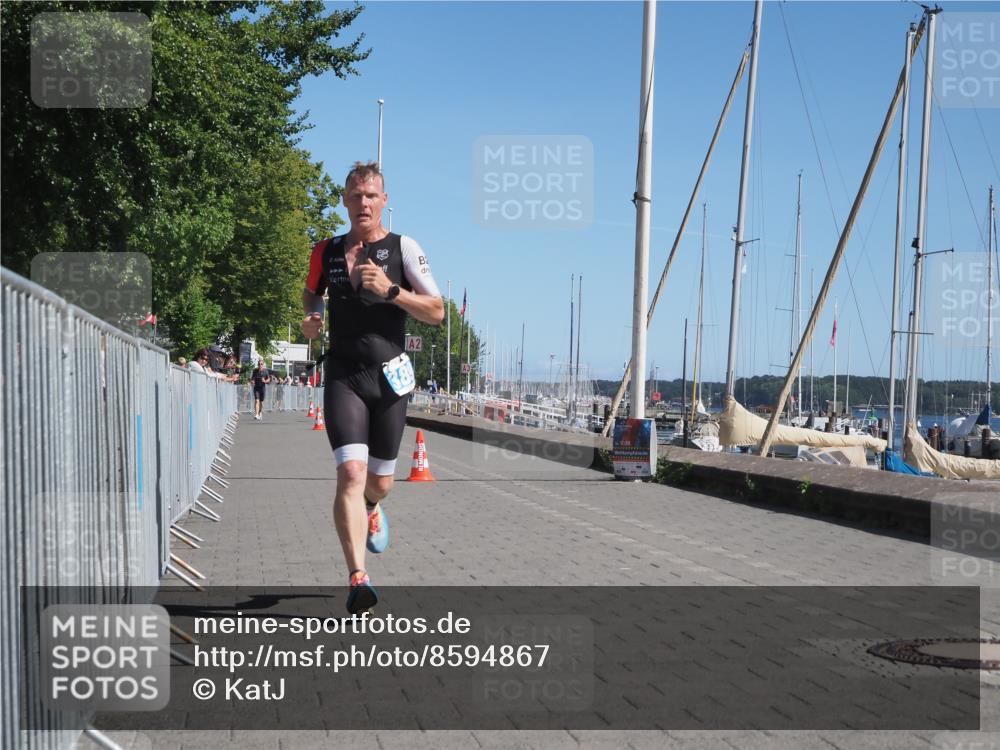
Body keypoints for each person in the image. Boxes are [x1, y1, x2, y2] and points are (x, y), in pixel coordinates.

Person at [302, 161, 443, 614]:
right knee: (350, 473)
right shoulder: (324, 251)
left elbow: (438, 311)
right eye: (355, 195)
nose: (363, 202)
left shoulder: (404, 248)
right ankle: (357, 577)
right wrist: (313, 316)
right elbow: (310, 292)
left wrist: (391, 291)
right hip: (344, 374)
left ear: (384, 202)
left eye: (371, 195)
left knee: (380, 483)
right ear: (344, 200)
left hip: (390, 377)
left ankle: (371, 507)